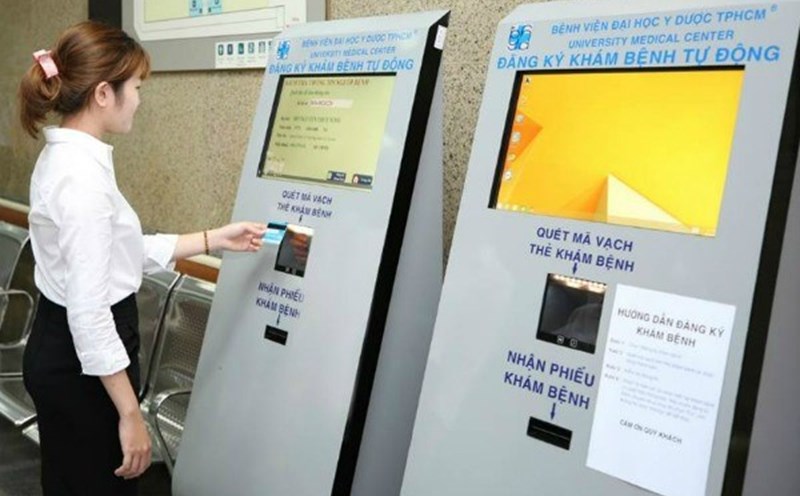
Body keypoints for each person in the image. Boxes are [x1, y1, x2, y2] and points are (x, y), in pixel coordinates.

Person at [17, 21, 266, 495]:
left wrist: (215, 238)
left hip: (63, 353)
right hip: (83, 368)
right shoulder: (82, 181)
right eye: (135, 86)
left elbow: (119, 253)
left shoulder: (68, 161)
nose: (140, 98)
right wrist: (131, 415)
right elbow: (89, 314)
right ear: (103, 94)